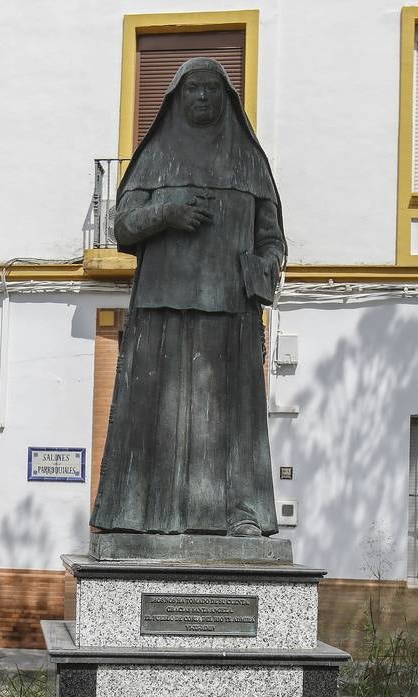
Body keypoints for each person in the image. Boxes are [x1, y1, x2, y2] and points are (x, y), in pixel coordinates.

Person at [90, 56, 286, 537]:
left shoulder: (251, 162)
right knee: (158, 418)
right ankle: (146, 514)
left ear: (227, 100)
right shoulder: (156, 156)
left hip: (231, 310)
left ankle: (241, 515)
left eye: (212, 90)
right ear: (178, 98)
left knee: (233, 423)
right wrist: (167, 212)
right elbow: (123, 226)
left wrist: (264, 269)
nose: (202, 97)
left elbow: (273, 241)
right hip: (163, 309)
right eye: (193, 89)